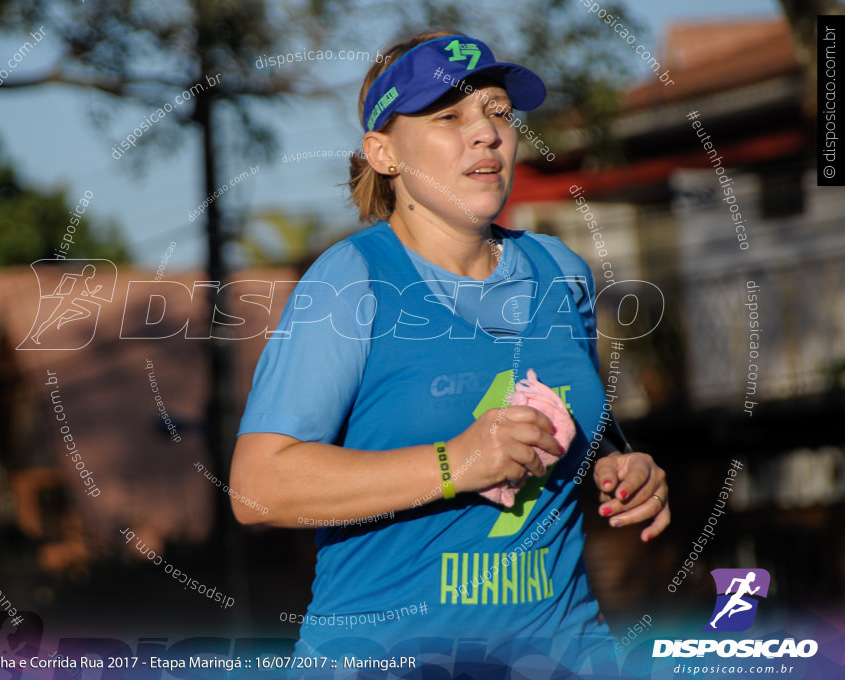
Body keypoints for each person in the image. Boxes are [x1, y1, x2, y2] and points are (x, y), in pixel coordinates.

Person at [231, 31, 670, 677]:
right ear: (383, 154)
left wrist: (620, 466)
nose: (487, 133)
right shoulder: (352, 280)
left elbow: (570, 416)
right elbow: (258, 487)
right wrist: (455, 461)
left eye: (498, 112)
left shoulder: (562, 270)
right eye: (449, 116)